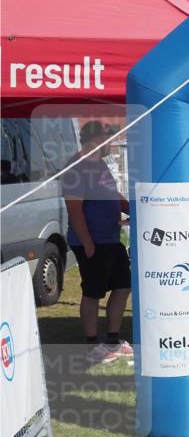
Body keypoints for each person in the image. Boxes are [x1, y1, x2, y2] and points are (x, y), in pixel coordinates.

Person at [61, 121, 134, 364]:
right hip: (92, 242)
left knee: (123, 285)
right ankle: (92, 346)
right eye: (107, 140)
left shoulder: (100, 164)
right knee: (93, 292)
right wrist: (88, 243)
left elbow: (113, 195)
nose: (111, 144)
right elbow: (74, 210)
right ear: (95, 140)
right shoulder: (76, 168)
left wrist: (132, 208)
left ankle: (112, 340)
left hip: (111, 238)